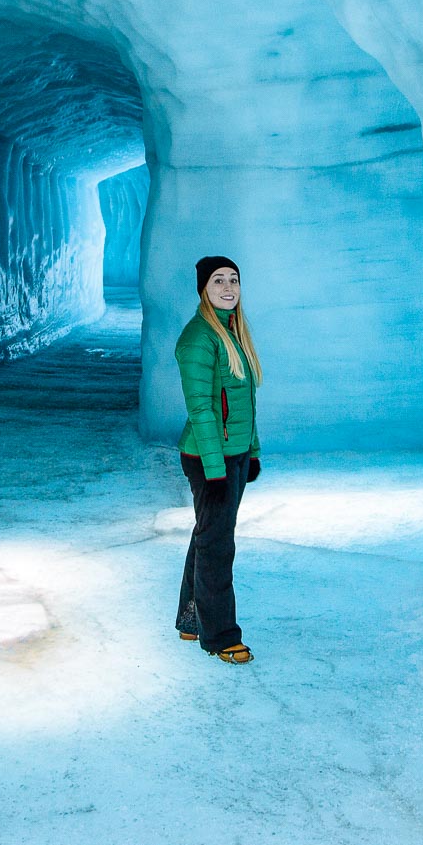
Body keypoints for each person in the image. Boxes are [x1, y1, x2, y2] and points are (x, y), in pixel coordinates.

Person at [174, 255, 263, 664]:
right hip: (211, 458)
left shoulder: (234, 333)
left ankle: (192, 620)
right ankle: (221, 636)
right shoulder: (199, 338)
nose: (228, 288)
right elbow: (202, 410)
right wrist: (215, 470)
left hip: (235, 454)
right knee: (217, 545)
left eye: (234, 280)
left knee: (207, 535)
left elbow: (245, 402)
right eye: (217, 281)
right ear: (203, 290)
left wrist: (253, 451)